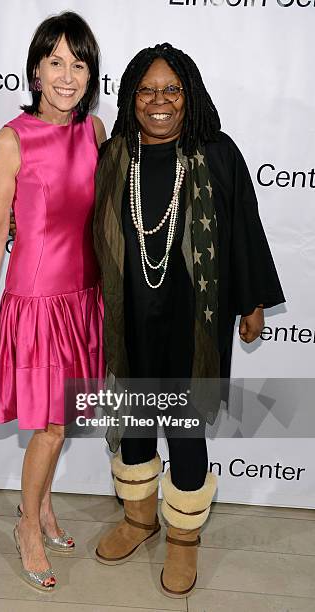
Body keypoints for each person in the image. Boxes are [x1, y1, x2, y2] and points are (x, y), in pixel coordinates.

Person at [93, 43, 285, 599]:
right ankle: (138, 518)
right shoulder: (114, 155)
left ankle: (182, 538)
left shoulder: (217, 153)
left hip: (192, 319)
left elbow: (244, 227)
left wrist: (251, 302)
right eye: (146, 90)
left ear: (189, 96)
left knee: (185, 424)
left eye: (171, 90)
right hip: (128, 315)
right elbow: (86, 231)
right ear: (131, 99)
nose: (158, 101)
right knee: (133, 416)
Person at [0, 12, 106, 591]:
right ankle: (28, 525)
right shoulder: (12, 139)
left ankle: (44, 507)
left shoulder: (95, 132)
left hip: (84, 297)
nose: (68, 76)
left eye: (79, 63)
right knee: (49, 426)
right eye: (56, 62)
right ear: (35, 69)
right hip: (37, 302)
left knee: (62, 417)